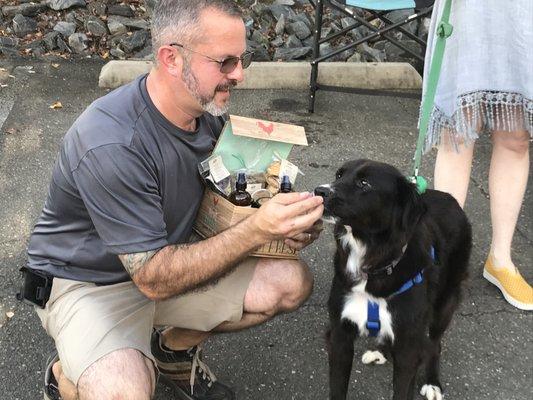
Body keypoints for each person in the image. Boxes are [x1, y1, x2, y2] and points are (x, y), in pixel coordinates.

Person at [23, 1, 324, 399]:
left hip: (163, 261)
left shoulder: (205, 115)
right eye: (226, 62)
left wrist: (283, 226)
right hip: (88, 282)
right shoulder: (112, 142)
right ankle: (67, 373)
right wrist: (255, 231)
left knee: (289, 281)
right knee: (121, 391)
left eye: (243, 58)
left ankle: (172, 351)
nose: (240, 74)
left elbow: (225, 202)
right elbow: (153, 278)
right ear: (171, 58)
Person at [421, 0, 532, 310]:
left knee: (516, 138)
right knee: (458, 133)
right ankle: (442, 254)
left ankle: (501, 259)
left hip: (523, 15)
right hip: (468, 14)